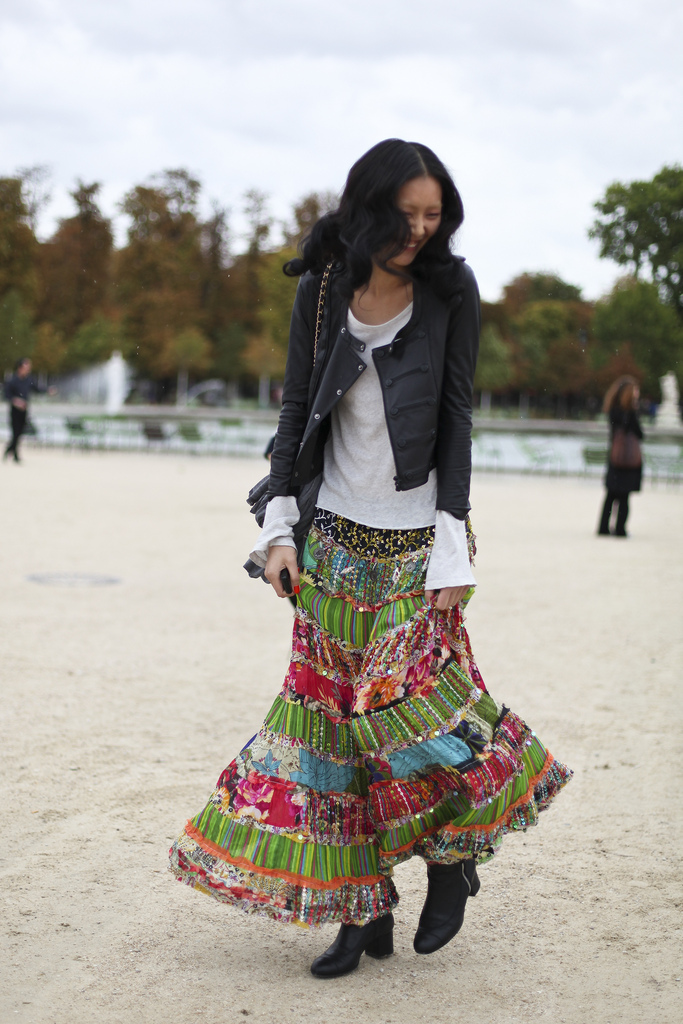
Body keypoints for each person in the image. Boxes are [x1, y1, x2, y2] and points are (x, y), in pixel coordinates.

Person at [169, 140, 571, 978]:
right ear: (369, 210)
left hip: (415, 542)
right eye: (407, 215)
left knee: (413, 718)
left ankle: (451, 862)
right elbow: (294, 416)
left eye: (433, 217)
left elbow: (455, 416)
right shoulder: (322, 291)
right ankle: (361, 917)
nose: (420, 232)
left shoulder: (449, 290)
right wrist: (278, 530)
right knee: (330, 738)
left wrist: (453, 540)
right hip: (332, 546)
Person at [598, 376, 644, 537]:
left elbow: (614, 432)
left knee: (611, 494)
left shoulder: (612, 410)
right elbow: (639, 433)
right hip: (628, 459)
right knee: (624, 496)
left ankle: (603, 527)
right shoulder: (629, 412)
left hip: (615, 457)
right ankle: (620, 529)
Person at [3, 357, 51, 463]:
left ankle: (10, 450)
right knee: (15, 432)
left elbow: (37, 389)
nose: (28, 368)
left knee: (20, 432)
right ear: (20, 367)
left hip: (24, 410)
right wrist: (16, 401)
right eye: (26, 366)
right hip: (15, 410)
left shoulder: (29, 380)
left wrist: (48, 390)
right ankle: (13, 453)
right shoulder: (12, 380)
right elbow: (7, 395)